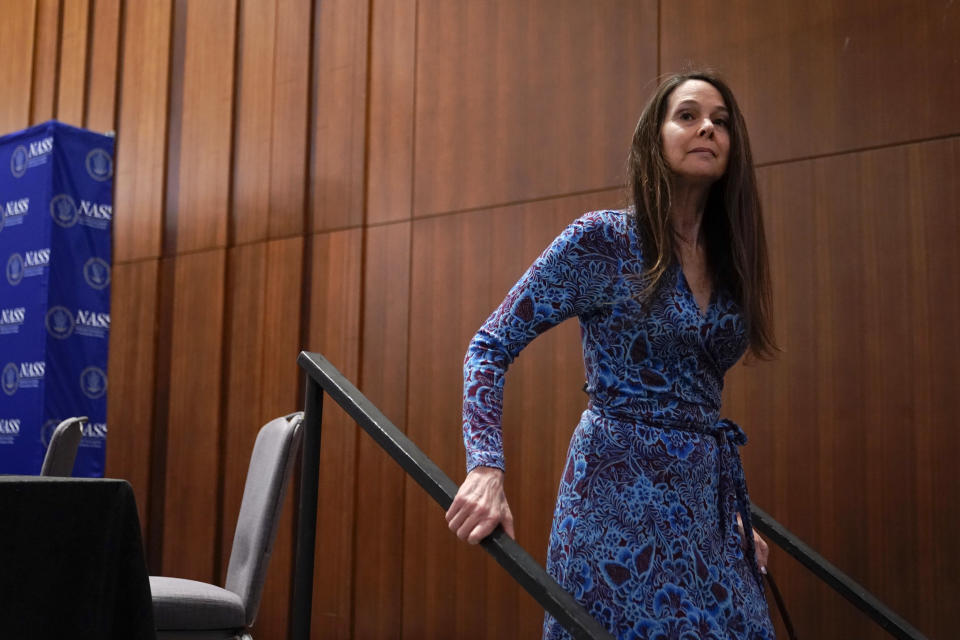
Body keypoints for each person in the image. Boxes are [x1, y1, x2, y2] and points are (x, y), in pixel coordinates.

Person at [445, 70, 777, 639]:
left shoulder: (732, 261)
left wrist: (731, 510)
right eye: (689, 116)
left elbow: (700, 396)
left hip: (705, 504)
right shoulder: (601, 241)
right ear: (656, 138)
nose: (708, 130)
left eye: (721, 122)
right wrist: (485, 464)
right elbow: (489, 346)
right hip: (614, 496)